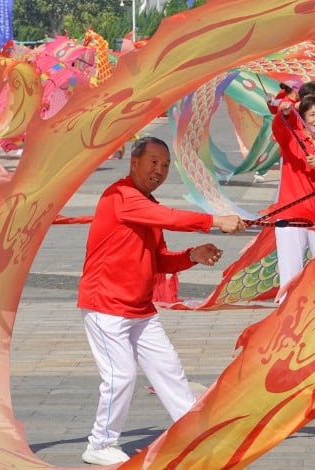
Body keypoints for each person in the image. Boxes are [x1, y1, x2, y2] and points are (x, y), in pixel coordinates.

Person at [77, 136, 245, 466]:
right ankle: (99, 443)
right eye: (153, 162)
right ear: (134, 162)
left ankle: (192, 431)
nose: (159, 170)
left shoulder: (147, 204)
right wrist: (215, 221)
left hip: (140, 308)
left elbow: (160, 260)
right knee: (120, 375)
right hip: (105, 305)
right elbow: (171, 217)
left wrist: (192, 255)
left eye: (165, 165)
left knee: (169, 369)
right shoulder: (120, 196)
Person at [271, 94, 315, 298]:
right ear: (303, 117)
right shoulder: (292, 140)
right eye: (312, 114)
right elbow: (282, 127)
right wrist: (284, 112)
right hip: (292, 216)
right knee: (290, 274)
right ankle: (285, 317)